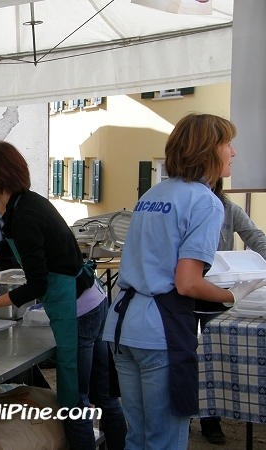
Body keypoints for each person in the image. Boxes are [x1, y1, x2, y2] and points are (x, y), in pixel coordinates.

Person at [101, 113, 264, 450]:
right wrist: (232, 294)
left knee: (139, 436)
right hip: (160, 329)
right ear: (207, 152)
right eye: (226, 144)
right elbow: (188, 283)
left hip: (122, 325)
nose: (233, 152)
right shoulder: (206, 201)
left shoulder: (153, 193)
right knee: (165, 441)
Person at [0, 141, 119, 449]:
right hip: (95, 301)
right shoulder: (27, 203)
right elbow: (19, 251)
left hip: (76, 312)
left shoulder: (23, 214)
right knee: (103, 395)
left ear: (0, 178)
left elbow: (37, 284)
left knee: (73, 405)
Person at [194, 177, 266, 444]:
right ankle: (187, 411)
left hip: (218, 295)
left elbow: (257, 238)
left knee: (213, 356)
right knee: (185, 356)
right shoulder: (186, 207)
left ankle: (210, 419)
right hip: (183, 293)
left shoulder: (229, 209)